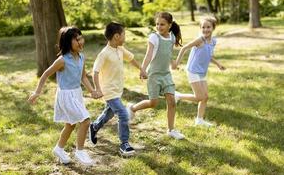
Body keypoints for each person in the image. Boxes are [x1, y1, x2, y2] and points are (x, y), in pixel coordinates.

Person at [28, 27, 99, 165]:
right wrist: (37, 92)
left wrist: (92, 91)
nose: (80, 41)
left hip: (76, 94)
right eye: (76, 39)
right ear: (67, 42)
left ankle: (59, 149)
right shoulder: (62, 60)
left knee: (71, 125)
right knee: (85, 121)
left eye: (81, 38)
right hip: (66, 96)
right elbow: (46, 74)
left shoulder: (81, 57)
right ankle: (80, 151)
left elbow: (83, 77)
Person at [88, 22, 145, 156]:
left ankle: (94, 126)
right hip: (108, 90)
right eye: (124, 34)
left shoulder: (120, 49)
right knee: (123, 114)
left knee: (110, 112)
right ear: (116, 36)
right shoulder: (104, 53)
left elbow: (131, 59)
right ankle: (124, 144)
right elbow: (94, 72)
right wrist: (98, 89)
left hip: (117, 89)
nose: (125, 37)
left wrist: (141, 69)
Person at [127, 12, 185, 140]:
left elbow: (169, 53)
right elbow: (148, 55)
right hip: (153, 74)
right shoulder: (154, 37)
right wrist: (143, 69)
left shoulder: (172, 37)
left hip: (166, 74)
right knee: (153, 103)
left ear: (170, 25)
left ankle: (171, 130)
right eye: (157, 24)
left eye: (162, 24)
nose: (159, 27)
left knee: (172, 102)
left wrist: (173, 63)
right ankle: (133, 108)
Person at [173, 16, 226, 127]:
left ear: (213, 28)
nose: (206, 29)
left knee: (205, 97)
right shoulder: (200, 40)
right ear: (200, 28)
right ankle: (178, 96)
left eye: (208, 27)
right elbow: (184, 48)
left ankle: (199, 120)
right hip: (193, 71)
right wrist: (177, 63)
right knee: (199, 97)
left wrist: (218, 64)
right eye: (203, 27)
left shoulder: (213, 41)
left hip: (202, 72)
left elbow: (209, 55)